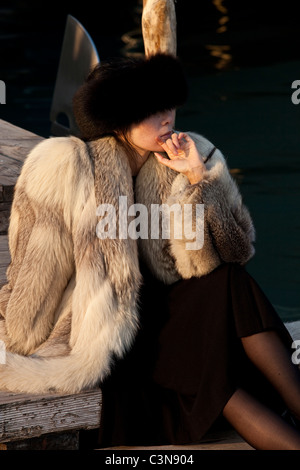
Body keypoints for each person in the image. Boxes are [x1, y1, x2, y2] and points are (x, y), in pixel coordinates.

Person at [0, 53, 300, 450]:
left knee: (231, 280)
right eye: (151, 110)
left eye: (169, 105)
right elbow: (36, 275)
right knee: (206, 369)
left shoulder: (191, 153)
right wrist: (17, 341)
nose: (167, 118)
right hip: (111, 331)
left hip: (172, 314)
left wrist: (199, 179)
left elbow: (235, 250)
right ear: (119, 118)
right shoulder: (66, 167)